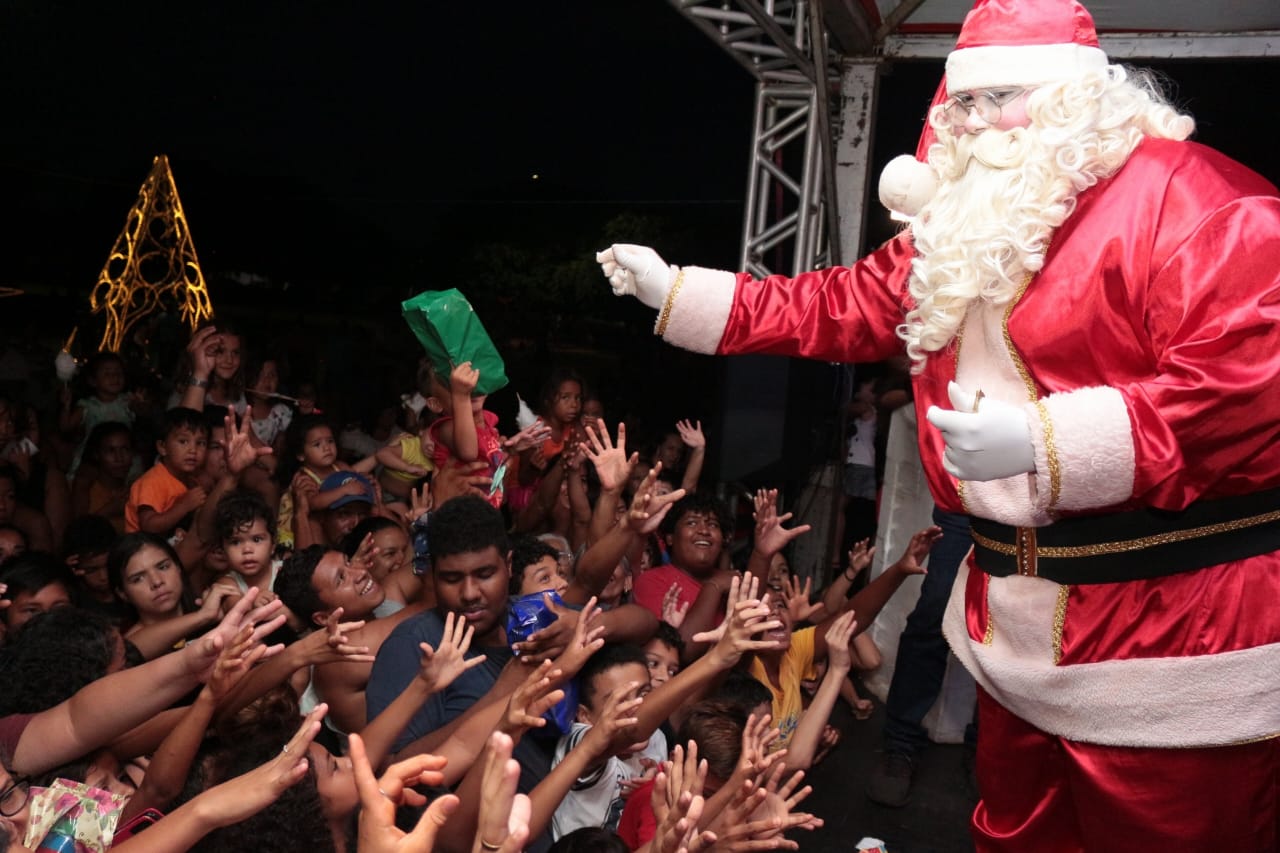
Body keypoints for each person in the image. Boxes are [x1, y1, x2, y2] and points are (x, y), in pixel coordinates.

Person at [601, 0, 1280, 847]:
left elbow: (1252, 388)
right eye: (960, 103)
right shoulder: (962, 224)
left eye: (1000, 100)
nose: (971, 122)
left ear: (1076, 99)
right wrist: (681, 293)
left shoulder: (1199, 202)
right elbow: (839, 304)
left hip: (1174, 636)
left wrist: (1049, 443)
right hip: (1018, 626)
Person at [124, 407, 208, 536]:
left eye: (200, 443)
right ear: (162, 447)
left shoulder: (191, 479)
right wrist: (184, 506)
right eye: (183, 441)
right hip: (142, 549)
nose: (193, 450)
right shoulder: (152, 481)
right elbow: (149, 525)